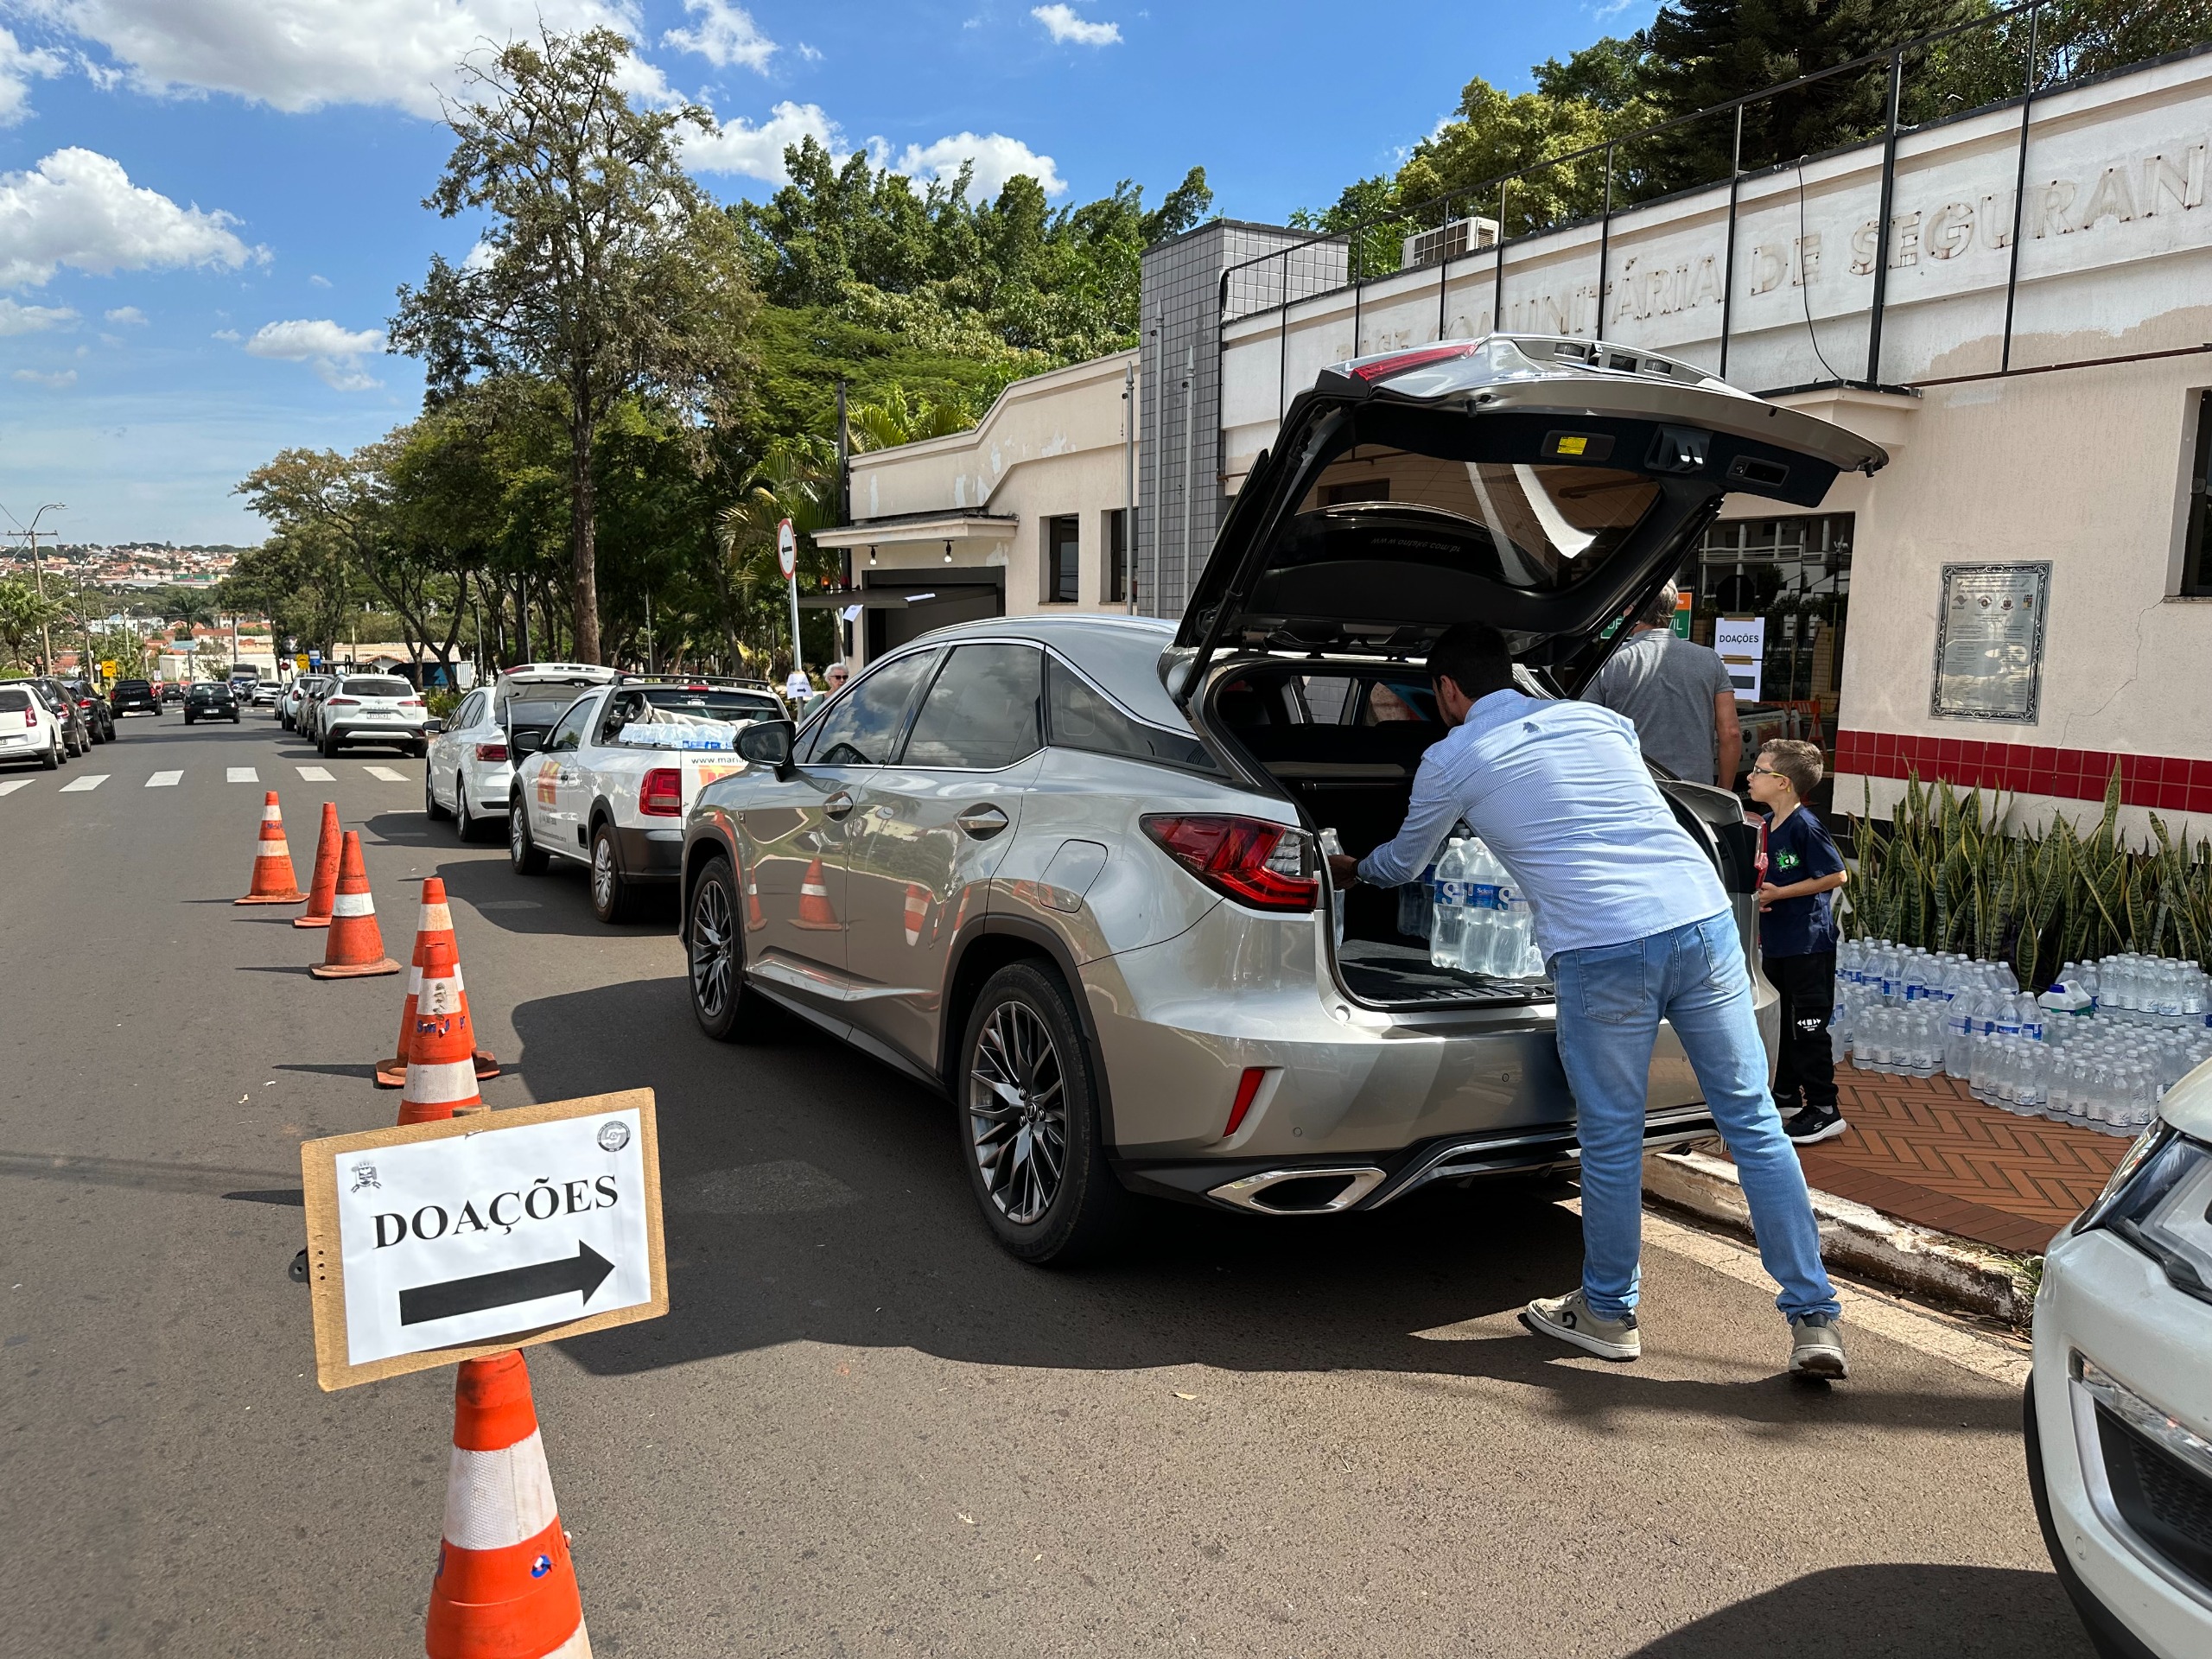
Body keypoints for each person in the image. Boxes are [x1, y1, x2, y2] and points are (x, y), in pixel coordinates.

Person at [1326, 622, 1847, 1379]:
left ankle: (1607, 1312)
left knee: (1611, 1136)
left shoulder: (1451, 756)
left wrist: (1348, 869)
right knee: (1754, 1121)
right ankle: (1815, 1320)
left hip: (1603, 949)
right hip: (1702, 922)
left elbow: (1405, 863)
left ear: (1446, 691)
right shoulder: (1600, 719)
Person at [1747, 739, 1851, 1145]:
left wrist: (1780, 895)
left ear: (1784, 783)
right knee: (1783, 1025)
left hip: (1808, 946)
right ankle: (1787, 1094)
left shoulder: (1805, 825)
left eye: (1759, 770)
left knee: (1807, 1026)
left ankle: (1825, 1108)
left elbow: (1836, 875)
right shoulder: (1767, 825)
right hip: (1778, 944)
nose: (1751, 777)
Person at [1584, 582, 1742, 790]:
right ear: (1671, 611)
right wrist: (1723, 791)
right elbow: (1731, 732)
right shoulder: (1709, 659)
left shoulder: (1610, 663)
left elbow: (1584, 728)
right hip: (1696, 795)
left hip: (1633, 790)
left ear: (1632, 611)